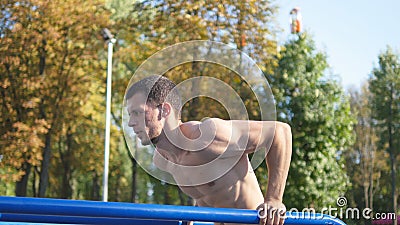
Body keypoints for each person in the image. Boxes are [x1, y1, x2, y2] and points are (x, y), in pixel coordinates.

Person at [125, 75, 292, 225]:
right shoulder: (162, 160)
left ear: (164, 110)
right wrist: (195, 213)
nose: (131, 122)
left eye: (138, 113)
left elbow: (279, 132)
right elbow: (210, 190)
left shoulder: (209, 136)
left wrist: (274, 199)